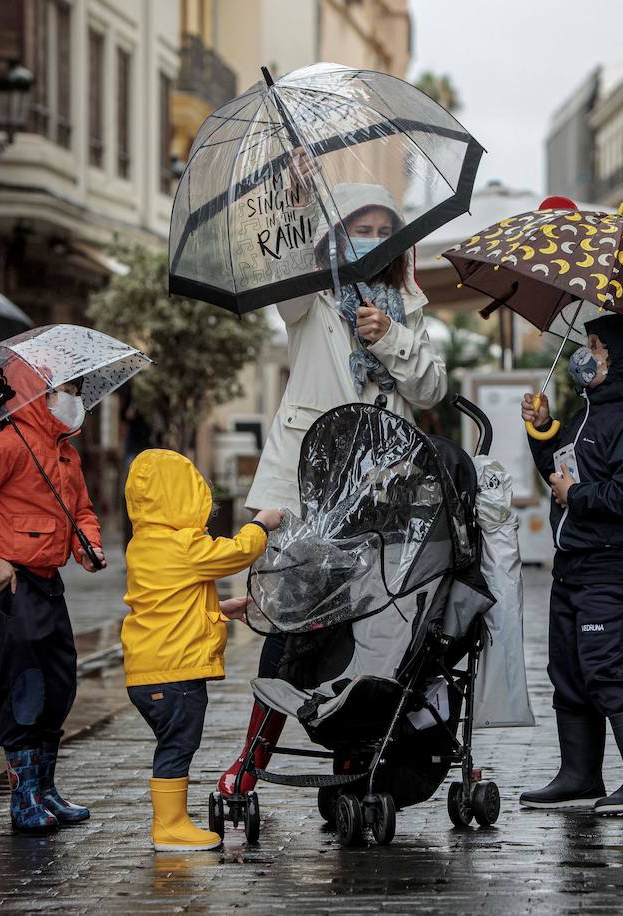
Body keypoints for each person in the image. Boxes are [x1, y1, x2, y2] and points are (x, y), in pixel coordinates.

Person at [218, 166, 448, 798]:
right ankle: (250, 765)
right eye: (358, 230)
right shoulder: (311, 302)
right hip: (305, 496)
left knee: (369, 629)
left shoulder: (408, 311)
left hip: (381, 498)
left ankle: (356, 761)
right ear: (333, 239)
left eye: (383, 231)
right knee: (288, 626)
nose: (372, 239)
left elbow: (432, 387)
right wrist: (294, 209)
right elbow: (283, 281)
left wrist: (392, 337)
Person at [517, 313, 623, 815]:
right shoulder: (589, 414)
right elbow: (559, 475)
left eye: (596, 347)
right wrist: (542, 433)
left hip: (612, 564)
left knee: (602, 666)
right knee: (567, 667)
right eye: (585, 344)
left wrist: (579, 494)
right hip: (575, 562)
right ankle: (579, 775)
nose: (585, 355)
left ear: (622, 362)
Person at [0, 380, 104, 834]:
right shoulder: (8, 445)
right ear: (41, 394)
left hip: (49, 582)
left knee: (59, 681)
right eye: (65, 391)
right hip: (12, 582)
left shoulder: (66, 453)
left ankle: (46, 786)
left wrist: (87, 545)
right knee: (25, 684)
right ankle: (24, 795)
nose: (75, 400)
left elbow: (83, 511)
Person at [121, 449, 282, 850]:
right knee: (178, 745)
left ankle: (171, 821)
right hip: (175, 674)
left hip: (150, 672)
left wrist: (222, 609)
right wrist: (261, 524)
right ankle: (170, 825)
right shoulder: (182, 546)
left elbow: (172, 601)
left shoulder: (145, 544)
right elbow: (236, 553)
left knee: (173, 744)